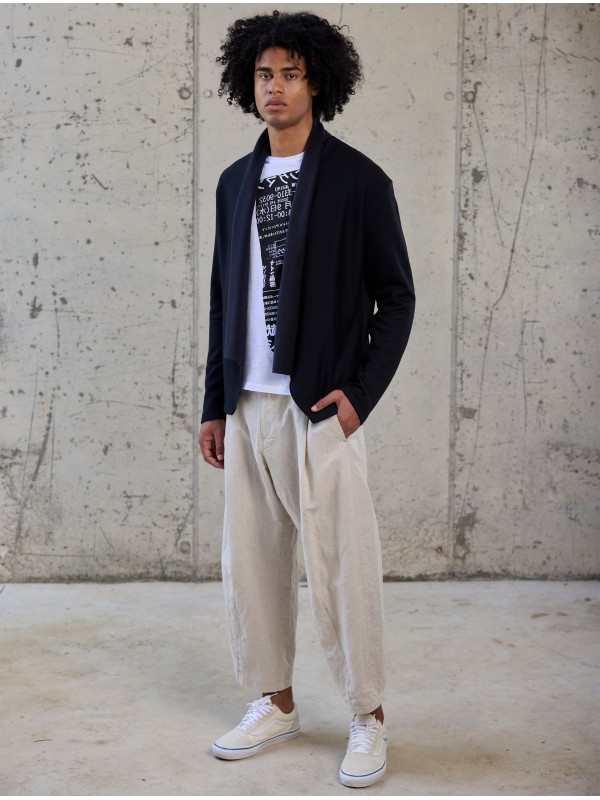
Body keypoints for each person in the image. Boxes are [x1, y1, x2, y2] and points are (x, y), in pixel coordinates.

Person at [198, 10, 415, 789]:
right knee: (251, 568)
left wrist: (358, 397)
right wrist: (214, 403)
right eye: (265, 74)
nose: (276, 87)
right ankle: (275, 702)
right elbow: (223, 300)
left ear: (316, 82)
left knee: (343, 570)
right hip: (248, 405)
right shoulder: (235, 183)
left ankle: (368, 716)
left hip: (318, 407)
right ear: (248, 82)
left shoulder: (358, 181)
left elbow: (397, 297)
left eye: (290, 73)